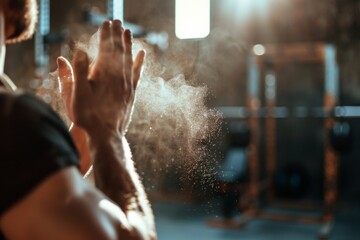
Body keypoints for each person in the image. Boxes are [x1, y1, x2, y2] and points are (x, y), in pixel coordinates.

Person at [0, 0, 157, 239]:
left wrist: (85, 131)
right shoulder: (11, 119)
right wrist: (107, 134)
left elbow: (26, 182)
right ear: (13, 11)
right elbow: (126, 236)